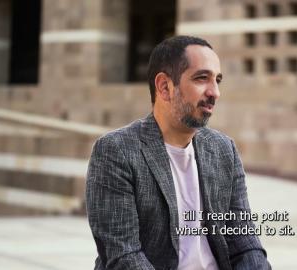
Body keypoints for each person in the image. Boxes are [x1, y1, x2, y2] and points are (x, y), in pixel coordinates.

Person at [86, 35, 271, 270]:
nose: (215, 92)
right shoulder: (116, 151)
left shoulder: (224, 150)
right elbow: (123, 255)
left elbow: (245, 242)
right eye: (202, 78)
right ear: (164, 86)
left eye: (217, 80)